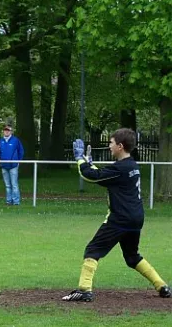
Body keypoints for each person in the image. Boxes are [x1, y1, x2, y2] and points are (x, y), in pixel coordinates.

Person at [63, 129, 171, 302]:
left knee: (93, 250)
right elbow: (105, 177)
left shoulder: (120, 168)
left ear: (120, 146)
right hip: (136, 218)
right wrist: (90, 164)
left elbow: (90, 176)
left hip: (120, 218)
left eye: (111, 143)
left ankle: (84, 289)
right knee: (132, 256)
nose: (109, 146)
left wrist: (79, 158)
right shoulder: (132, 165)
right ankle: (162, 286)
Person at [0, 125, 24, 205]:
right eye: (5, 130)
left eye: (8, 130)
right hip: (4, 166)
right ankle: (9, 201)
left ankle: (16, 201)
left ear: (11, 131)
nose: (6, 131)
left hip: (13, 166)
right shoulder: (1, 140)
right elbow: (0, 152)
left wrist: (17, 161)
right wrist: (0, 161)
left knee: (14, 184)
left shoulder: (15, 140)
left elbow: (21, 151)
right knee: (7, 185)